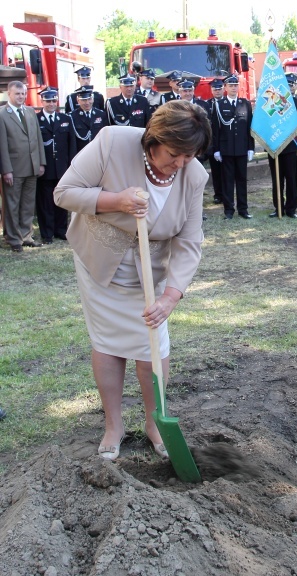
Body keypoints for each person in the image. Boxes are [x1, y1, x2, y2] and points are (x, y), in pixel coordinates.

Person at [54, 101, 211, 461]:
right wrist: (115, 200)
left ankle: (155, 423)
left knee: (152, 343)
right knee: (107, 343)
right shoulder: (112, 143)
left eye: (190, 155)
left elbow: (189, 241)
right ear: (154, 139)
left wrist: (172, 296)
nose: (181, 164)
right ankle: (114, 424)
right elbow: (64, 193)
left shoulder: (193, 175)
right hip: (100, 261)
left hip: (149, 272)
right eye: (175, 154)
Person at [0, 81, 46, 252]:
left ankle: (26, 235)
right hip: (14, 168)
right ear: (9, 94)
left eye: (23, 93)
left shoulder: (30, 112)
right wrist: (6, 170)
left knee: (28, 203)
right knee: (12, 204)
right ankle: (13, 239)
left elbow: (38, 139)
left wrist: (41, 162)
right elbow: (2, 145)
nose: (21, 97)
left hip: (32, 166)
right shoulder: (3, 114)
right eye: (17, 94)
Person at [36, 88, 76, 244]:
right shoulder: (36, 119)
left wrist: (71, 164)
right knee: (45, 202)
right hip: (45, 168)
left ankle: (61, 230)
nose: (51, 104)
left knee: (61, 200)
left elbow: (71, 143)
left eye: (53, 101)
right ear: (42, 102)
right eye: (48, 101)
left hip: (62, 168)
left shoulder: (65, 118)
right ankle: (47, 233)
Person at [211, 74, 254, 219]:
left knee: (242, 180)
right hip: (226, 149)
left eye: (235, 85)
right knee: (227, 181)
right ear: (225, 88)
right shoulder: (219, 105)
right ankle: (229, 210)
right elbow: (216, 129)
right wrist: (216, 149)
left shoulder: (245, 104)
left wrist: (251, 148)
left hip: (242, 148)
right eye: (231, 85)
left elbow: (249, 128)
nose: (233, 88)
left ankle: (243, 209)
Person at [267, 73, 297, 219]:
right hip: (276, 145)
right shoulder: (274, 102)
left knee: (292, 178)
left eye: (292, 84)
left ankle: (291, 208)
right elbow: (268, 124)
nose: (289, 87)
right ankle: (278, 208)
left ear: (296, 86)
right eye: (287, 84)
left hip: (293, 147)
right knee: (276, 178)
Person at [69, 85, 109, 153]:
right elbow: (72, 142)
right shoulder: (72, 117)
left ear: (93, 99)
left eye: (89, 99)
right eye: (84, 100)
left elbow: (106, 137)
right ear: (78, 101)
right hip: (81, 154)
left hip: (98, 153)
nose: (87, 103)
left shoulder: (101, 115)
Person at [205, 78, 225, 204]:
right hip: (213, 141)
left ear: (224, 89)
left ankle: (227, 193)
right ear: (211, 90)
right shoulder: (207, 104)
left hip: (226, 141)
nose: (217, 91)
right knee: (216, 171)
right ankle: (218, 194)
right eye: (214, 89)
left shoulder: (228, 102)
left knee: (227, 170)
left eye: (219, 88)